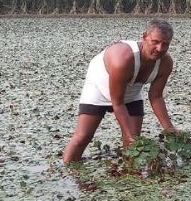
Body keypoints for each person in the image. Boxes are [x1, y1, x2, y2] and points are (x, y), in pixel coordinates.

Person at [63, 19, 178, 164]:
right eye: (155, 41)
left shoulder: (165, 63)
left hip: (131, 92)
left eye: (165, 44)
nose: (160, 48)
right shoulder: (123, 59)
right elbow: (117, 102)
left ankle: (128, 177)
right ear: (144, 37)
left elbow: (156, 97)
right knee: (82, 137)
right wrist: (128, 133)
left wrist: (169, 128)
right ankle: (66, 172)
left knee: (133, 142)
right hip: (98, 88)